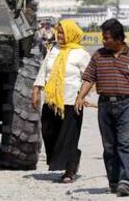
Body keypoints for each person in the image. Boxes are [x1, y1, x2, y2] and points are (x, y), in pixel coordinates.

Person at [75, 18, 129, 197]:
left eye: (106, 38)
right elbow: (89, 78)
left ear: (118, 39)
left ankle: (126, 181)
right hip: (105, 106)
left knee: (126, 143)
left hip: (128, 105)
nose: (103, 41)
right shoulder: (98, 56)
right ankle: (114, 181)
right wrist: (80, 97)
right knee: (109, 146)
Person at [31, 19, 90, 183]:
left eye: (63, 32)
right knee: (49, 133)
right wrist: (36, 90)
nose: (60, 35)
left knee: (68, 137)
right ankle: (73, 156)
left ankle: (69, 171)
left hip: (72, 102)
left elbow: (89, 78)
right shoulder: (53, 49)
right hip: (51, 100)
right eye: (59, 32)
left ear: (72, 33)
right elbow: (44, 71)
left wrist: (82, 96)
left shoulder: (81, 54)